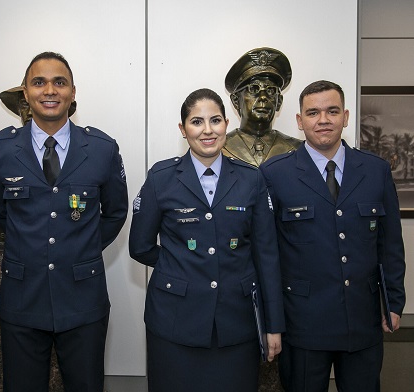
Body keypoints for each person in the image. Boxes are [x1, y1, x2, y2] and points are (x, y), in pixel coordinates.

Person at [0, 51, 128, 392]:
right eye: (39, 82)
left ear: (73, 92)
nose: (50, 90)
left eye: (59, 82)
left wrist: (80, 248)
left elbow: (115, 212)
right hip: (22, 298)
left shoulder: (102, 149)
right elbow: (0, 211)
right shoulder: (0, 149)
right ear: (25, 92)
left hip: (82, 297)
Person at [129, 88, 285, 392]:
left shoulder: (251, 179)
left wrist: (274, 325)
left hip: (236, 323)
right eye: (196, 122)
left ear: (226, 123)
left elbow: (267, 256)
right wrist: (179, 266)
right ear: (183, 129)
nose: (207, 130)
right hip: (175, 321)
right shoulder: (161, 178)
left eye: (215, 120)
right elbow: (140, 246)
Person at [260, 80, 406, 392]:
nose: (323, 120)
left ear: (346, 116)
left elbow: (390, 244)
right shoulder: (275, 174)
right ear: (299, 121)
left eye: (332, 111)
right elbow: (266, 254)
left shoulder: (375, 170)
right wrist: (272, 320)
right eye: (313, 113)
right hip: (303, 324)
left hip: (362, 319)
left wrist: (393, 301)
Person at [223, 47, 302, 167]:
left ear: (279, 102)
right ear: (235, 101)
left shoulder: (298, 149)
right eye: (253, 89)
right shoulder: (220, 148)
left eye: (270, 90)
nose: (263, 97)